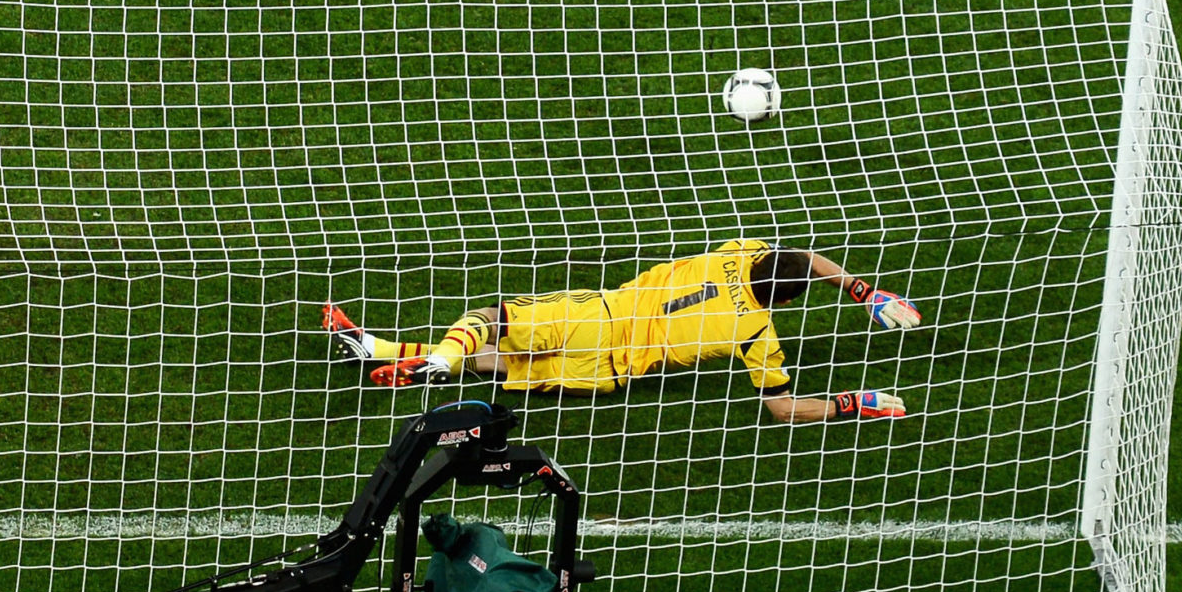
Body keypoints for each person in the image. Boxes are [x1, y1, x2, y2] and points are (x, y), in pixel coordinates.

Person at [323, 241, 923, 424]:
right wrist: (856, 403)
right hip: (605, 371)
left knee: (494, 323)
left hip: (601, 314)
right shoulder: (758, 335)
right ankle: (394, 356)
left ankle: (427, 359)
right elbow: (781, 408)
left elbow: (802, 255)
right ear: (789, 300)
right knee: (505, 368)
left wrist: (863, 290)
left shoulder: (735, 256)